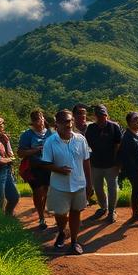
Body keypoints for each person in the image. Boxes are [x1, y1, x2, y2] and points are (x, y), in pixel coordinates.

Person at [40, 109, 92, 255]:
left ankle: (74, 241)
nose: (68, 124)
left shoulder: (80, 139)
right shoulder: (50, 142)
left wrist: (89, 183)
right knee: (61, 213)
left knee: (76, 212)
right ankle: (62, 231)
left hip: (79, 183)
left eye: (69, 121)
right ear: (57, 124)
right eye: (64, 122)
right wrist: (58, 169)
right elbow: (45, 163)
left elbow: (86, 161)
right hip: (59, 185)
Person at [85, 104, 123, 223]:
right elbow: (89, 144)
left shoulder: (114, 127)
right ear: (95, 116)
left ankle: (112, 211)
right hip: (96, 164)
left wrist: (118, 162)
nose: (102, 117)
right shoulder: (91, 128)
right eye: (99, 115)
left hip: (111, 164)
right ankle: (103, 208)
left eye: (104, 115)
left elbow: (118, 145)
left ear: (107, 115)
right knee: (98, 188)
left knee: (112, 188)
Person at [18, 109, 51, 230]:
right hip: (33, 167)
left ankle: (42, 210)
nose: (39, 122)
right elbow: (20, 153)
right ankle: (41, 217)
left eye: (40, 118)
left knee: (46, 190)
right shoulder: (27, 135)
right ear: (32, 121)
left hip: (48, 166)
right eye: (36, 120)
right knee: (38, 191)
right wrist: (36, 150)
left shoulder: (50, 133)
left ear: (43, 118)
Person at [72, 103, 94, 202]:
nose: (83, 115)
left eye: (84, 113)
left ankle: (88, 198)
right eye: (80, 113)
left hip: (92, 158)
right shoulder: (71, 129)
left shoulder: (91, 127)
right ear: (74, 115)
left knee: (91, 180)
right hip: (77, 160)